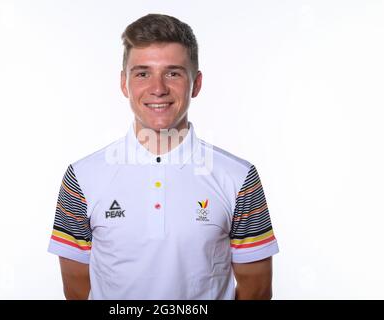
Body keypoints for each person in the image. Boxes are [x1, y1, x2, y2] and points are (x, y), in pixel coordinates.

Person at [47, 13, 279, 300]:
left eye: (173, 73)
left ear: (196, 84)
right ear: (124, 83)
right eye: (143, 73)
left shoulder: (238, 177)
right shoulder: (81, 177)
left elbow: (256, 290)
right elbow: (77, 288)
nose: (158, 88)